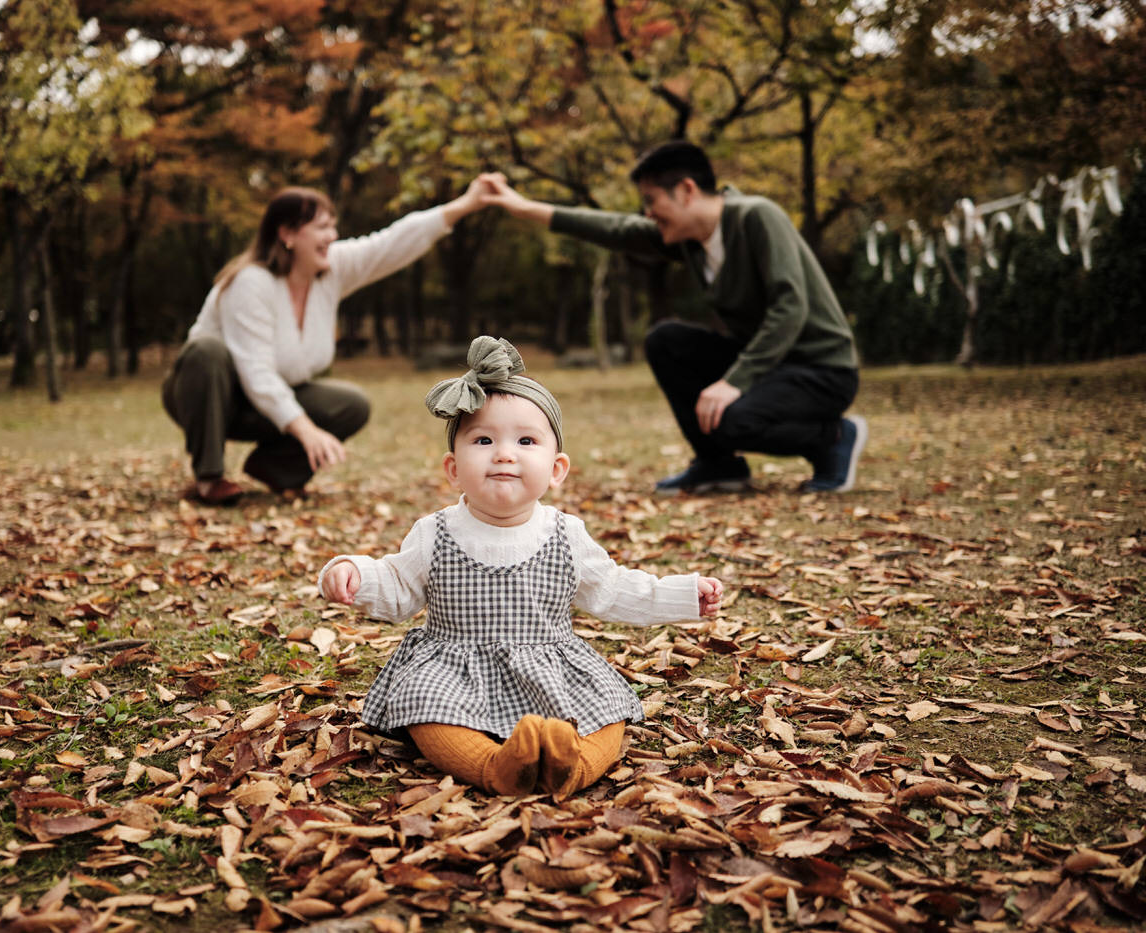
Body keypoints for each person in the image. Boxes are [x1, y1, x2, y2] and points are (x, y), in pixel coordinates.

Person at [319, 337, 723, 797]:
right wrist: (353, 571)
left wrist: (682, 594)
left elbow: (612, 589)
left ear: (556, 469)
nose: (504, 453)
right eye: (484, 440)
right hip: (455, 669)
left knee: (607, 716)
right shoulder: (435, 532)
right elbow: (396, 585)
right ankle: (497, 767)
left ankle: (573, 764)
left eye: (526, 441)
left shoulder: (565, 534)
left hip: (549, 666)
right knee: (427, 716)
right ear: (453, 469)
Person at [478, 141, 867, 494]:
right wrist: (522, 206)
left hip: (823, 370)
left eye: (651, 200)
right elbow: (616, 229)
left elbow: (791, 307)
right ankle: (719, 465)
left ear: (686, 190)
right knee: (667, 341)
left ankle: (832, 437)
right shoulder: (693, 243)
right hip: (774, 367)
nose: (648, 213)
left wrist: (734, 381)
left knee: (730, 418)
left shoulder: (756, 217)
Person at [164, 180, 492, 505]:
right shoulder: (251, 282)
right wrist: (306, 430)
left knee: (350, 403)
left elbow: (390, 244)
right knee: (206, 351)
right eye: (322, 227)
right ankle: (209, 478)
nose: (332, 236)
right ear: (288, 234)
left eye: (333, 226)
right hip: (210, 399)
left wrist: (464, 204)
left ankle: (275, 470)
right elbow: (255, 372)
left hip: (265, 404)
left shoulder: (329, 270)